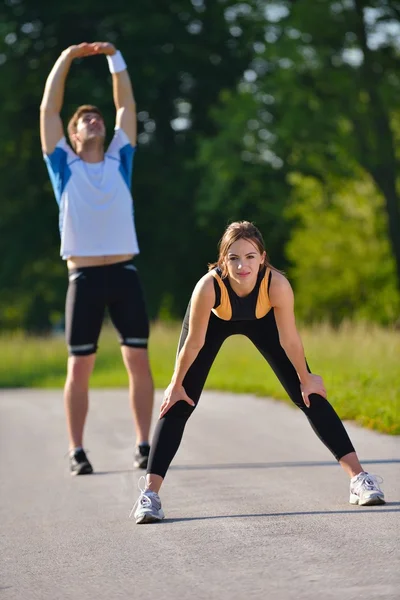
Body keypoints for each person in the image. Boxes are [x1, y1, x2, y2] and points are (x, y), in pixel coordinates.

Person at [132, 221, 385, 523]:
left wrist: (306, 378)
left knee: (308, 394)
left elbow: (289, 339)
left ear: (263, 257)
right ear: (223, 259)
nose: (242, 266)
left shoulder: (276, 285)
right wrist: (175, 383)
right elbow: (194, 342)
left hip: (262, 320)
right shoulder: (208, 287)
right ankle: (150, 496)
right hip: (213, 322)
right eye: (234, 258)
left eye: (250, 257)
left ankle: (359, 478)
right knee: (179, 400)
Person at [40, 42, 154, 475]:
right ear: (72, 135)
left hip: (124, 275)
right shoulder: (63, 165)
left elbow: (125, 102)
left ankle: (144, 444)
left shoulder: (120, 158)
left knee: (137, 360)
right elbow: (48, 109)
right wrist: (67, 58)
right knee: (79, 367)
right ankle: (77, 449)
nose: (94, 119)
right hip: (83, 278)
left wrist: (114, 58)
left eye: (98, 117)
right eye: (85, 118)